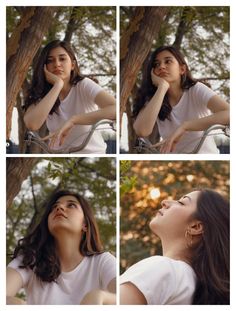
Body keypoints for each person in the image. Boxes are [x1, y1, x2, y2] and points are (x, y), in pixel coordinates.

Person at [120, 189, 229, 304]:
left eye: (181, 203)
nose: (165, 202)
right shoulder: (191, 285)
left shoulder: (163, 269)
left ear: (195, 227)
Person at [6, 190, 116, 305]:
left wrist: (100, 296)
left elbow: (125, 299)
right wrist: (12, 302)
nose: (59, 208)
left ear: (85, 225)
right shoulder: (30, 260)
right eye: (54, 207)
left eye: (71, 205)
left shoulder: (102, 261)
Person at [24, 40, 116, 154]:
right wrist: (58, 85)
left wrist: (74, 120)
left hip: (92, 154)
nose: (57, 64)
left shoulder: (83, 85)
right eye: (50, 61)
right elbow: (32, 124)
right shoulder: (42, 93)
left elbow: (115, 109)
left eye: (62, 59)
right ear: (44, 67)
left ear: (72, 65)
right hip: (59, 158)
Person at [133, 46, 229, 153]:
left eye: (168, 61)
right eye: (156, 64)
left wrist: (185, 126)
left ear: (182, 69)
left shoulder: (195, 89)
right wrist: (162, 87)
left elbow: (229, 114)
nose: (161, 67)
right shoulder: (155, 98)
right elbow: (142, 131)